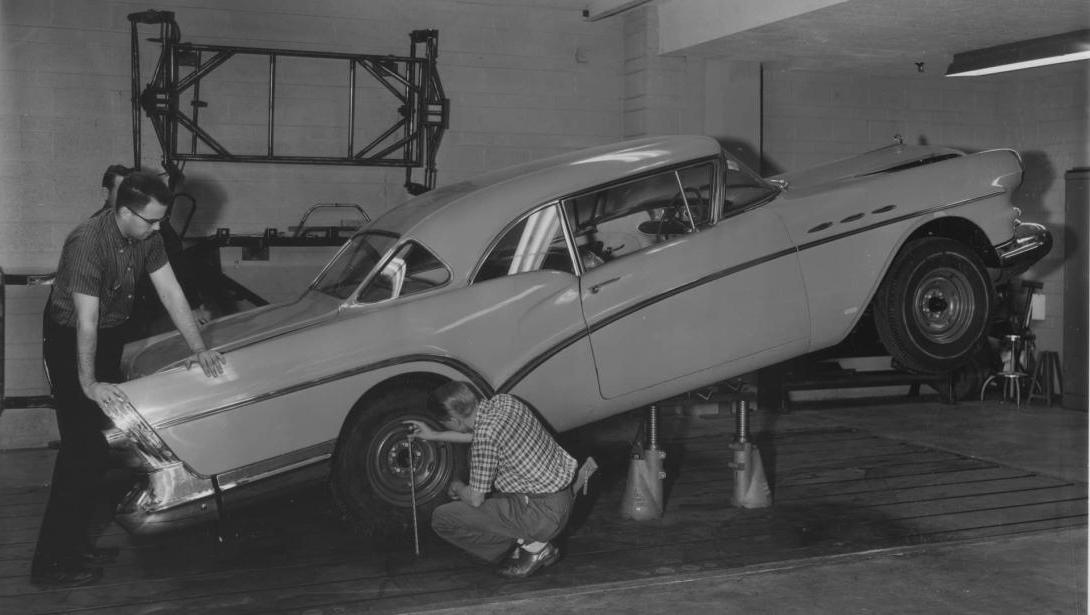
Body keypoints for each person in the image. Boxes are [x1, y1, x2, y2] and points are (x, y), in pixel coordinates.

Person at [30, 171, 226, 588]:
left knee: (97, 449)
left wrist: (199, 348)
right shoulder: (87, 243)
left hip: (107, 336)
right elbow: (86, 321)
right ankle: (50, 564)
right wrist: (89, 384)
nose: (158, 229)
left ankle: (74, 546)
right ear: (123, 211)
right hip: (71, 341)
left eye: (160, 221)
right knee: (80, 450)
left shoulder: (147, 235)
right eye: (151, 221)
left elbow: (172, 292)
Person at [405, 381, 577, 578]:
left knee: (442, 518)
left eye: (444, 423)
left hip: (542, 514)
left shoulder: (485, 436)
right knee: (489, 479)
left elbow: (475, 499)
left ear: (453, 420)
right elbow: (480, 435)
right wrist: (434, 435)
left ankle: (532, 546)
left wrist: (457, 486)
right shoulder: (505, 402)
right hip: (562, 497)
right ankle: (531, 539)